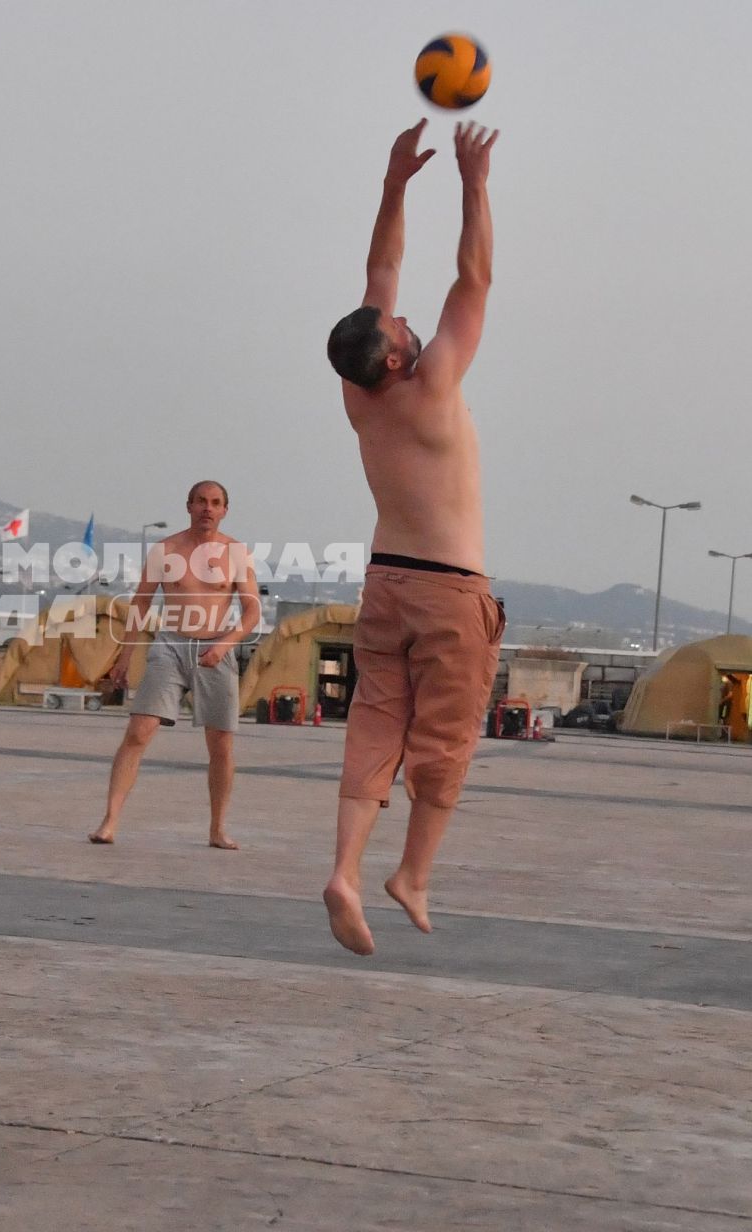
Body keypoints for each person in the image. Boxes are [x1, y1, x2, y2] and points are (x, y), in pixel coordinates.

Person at [321, 119, 504, 956]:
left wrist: (395, 183)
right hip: (446, 591)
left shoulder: (362, 396)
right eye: (398, 331)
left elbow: (380, 270)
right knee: (443, 742)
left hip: (384, 583)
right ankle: (412, 876)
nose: (407, 325)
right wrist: (473, 183)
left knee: (373, 726)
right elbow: (475, 276)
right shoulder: (432, 383)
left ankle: (346, 872)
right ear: (394, 358)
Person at [89, 480, 261, 849]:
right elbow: (140, 603)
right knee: (138, 732)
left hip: (216, 645)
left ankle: (217, 828)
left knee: (221, 744)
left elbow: (251, 611)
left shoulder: (236, 553)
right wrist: (125, 655)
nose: (207, 509)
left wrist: (225, 645)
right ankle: (110, 821)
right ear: (188, 506)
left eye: (215, 503)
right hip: (170, 644)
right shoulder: (166, 549)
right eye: (201, 502)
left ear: (225, 510)